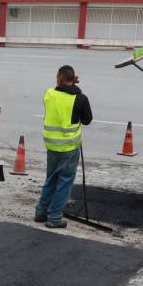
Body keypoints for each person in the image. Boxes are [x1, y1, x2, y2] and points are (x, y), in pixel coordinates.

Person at [35, 65, 93, 229]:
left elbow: (59, 90)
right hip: (69, 148)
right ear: (73, 79)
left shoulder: (49, 94)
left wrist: (69, 84)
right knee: (64, 183)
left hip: (52, 146)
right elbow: (87, 120)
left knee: (51, 179)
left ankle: (41, 212)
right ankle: (54, 218)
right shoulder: (80, 98)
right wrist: (76, 88)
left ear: (59, 78)